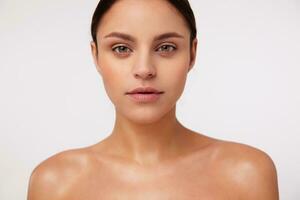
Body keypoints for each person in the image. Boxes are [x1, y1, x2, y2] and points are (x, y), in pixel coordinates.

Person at [27, 0, 279, 199]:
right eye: (121, 49)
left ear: (192, 54)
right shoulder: (54, 183)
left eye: (166, 47)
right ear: (96, 56)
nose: (145, 69)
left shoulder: (247, 173)